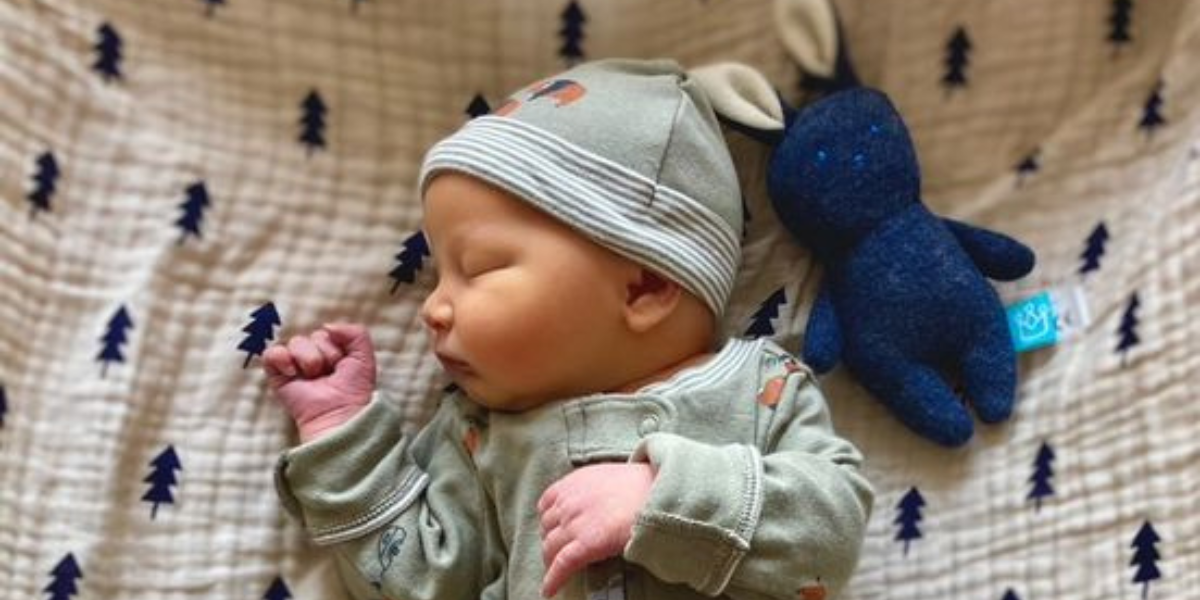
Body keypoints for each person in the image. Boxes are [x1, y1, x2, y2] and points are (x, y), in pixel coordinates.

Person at [264, 58, 873, 600]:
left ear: (644, 288)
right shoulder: (479, 438)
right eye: (437, 278)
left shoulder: (761, 390)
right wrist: (340, 434)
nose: (433, 309)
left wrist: (665, 499)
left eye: (479, 267)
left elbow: (831, 537)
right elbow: (424, 580)